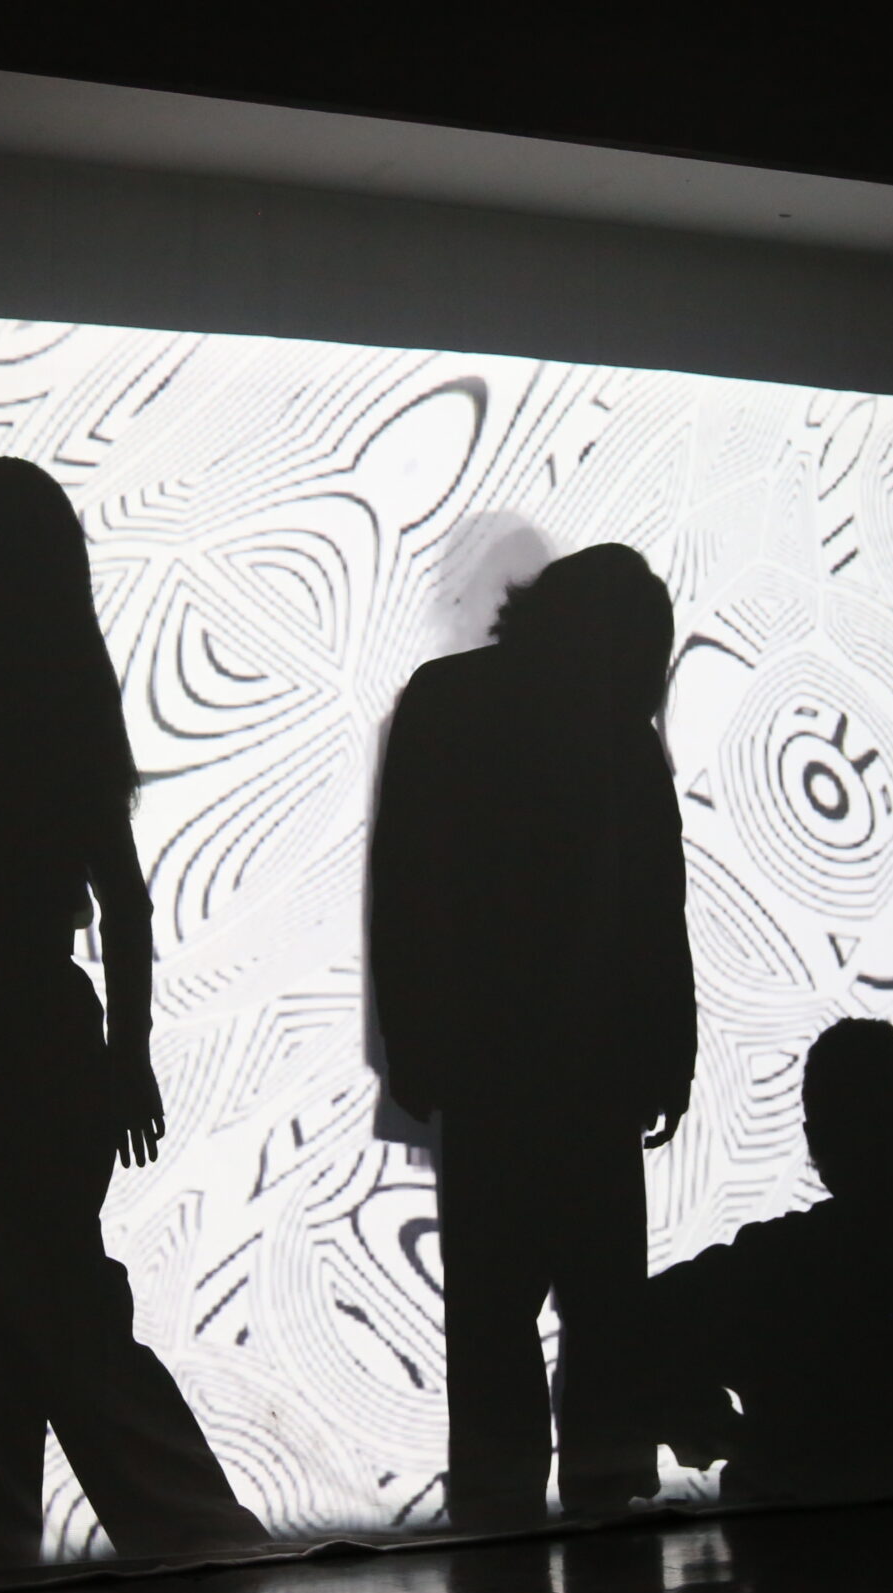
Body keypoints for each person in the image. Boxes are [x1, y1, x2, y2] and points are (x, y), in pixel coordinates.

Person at [0, 458, 267, 1576]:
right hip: (44, 1014)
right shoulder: (64, 699)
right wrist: (126, 1054)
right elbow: (123, 900)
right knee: (31, 1289)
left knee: (29, 1296)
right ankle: (43, 1536)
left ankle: (166, 1527)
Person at [369, 544, 696, 1532]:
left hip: (487, 1063)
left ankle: (500, 1498)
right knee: (600, 1299)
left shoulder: (445, 702)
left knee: (491, 1306)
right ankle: (604, 1489)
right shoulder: (618, 731)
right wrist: (669, 1051)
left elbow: (404, 889)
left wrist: (414, 1046)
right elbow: (655, 906)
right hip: (592, 1062)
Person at [645, 1020, 893, 1504]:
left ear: (814, 1141)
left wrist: (734, 1438)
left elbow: (627, 1331)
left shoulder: (765, 1269)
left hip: (806, 1542)